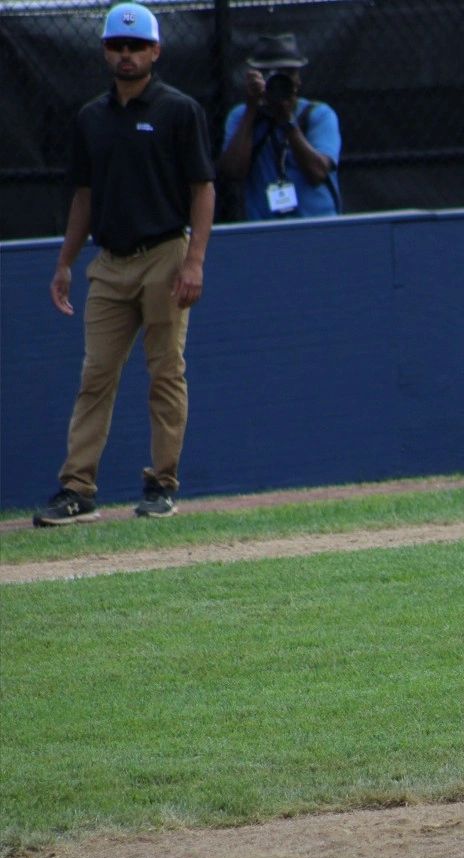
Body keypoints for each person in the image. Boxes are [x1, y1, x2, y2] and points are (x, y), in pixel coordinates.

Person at [34, 2, 215, 527]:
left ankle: (161, 484)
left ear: (156, 51)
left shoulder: (179, 111)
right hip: (109, 261)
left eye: (136, 46)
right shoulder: (92, 118)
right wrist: (66, 261)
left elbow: (203, 189)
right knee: (96, 375)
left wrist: (195, 261)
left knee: (165, 372)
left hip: (165, 253)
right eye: (118, 46)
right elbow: (84, 197)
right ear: (105, 52)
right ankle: (77, 489)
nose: (127, 55)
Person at [217, 33, 341, 220]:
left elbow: (317, 172)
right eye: (270, 74)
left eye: (288, 74)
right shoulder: (241, 116)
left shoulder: (319, 115)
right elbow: (233, 172)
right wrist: (252, 109)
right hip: (265, 230)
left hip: (317, 226)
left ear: (298, 79)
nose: (278, 82)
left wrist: (288, 121)